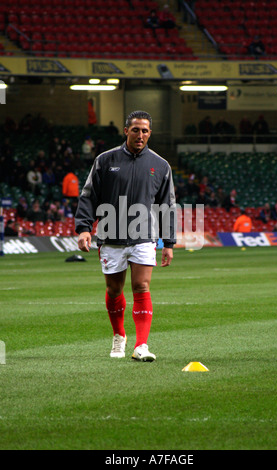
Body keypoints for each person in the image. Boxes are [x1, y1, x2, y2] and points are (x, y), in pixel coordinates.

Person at [75, 110, 176, 362]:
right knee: (113, 289)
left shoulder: (161, 165)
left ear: (150, 133)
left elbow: (167, 205)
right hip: (111, 236)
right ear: (126, 131)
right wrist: (84, 227)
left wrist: (169, 242)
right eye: (135, 130)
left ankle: (141, 345)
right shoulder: (105, 160)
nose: (140, 135)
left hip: (144, 236)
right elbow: (88, 196)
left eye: (144, 130)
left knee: (141, 286)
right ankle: (119, 336)